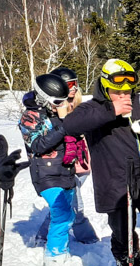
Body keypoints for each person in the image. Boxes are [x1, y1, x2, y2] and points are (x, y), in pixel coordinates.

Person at [62, 59, 140, 266]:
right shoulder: (93, 108)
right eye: (117, 91)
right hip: (116, 185)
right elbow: (70, 125)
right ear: (105, 86)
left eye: (128, 90)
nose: (124, 95)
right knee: (123, 231)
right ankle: (128, 265)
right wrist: (111, 110)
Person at [33, 67, 99, 246]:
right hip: (64, 166)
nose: (72, 89)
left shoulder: (79, 106)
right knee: (74, 205)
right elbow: (41, 142)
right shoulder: (53, 110)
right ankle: (84, 237)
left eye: (74, 84)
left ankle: (45, 235)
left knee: (66, 204)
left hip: (82, 163)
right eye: (67, 85)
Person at [18, 73, 77, 266]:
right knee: (63, 214)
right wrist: (64, 124)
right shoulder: (30, 117)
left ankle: (46, 239)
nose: (62, 104)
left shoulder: (57, 113)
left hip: (65, 170)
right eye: (58, 101)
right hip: (45, 173)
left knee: (65, 213)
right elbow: (37, 145)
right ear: (44, 98)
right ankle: (55, 257)